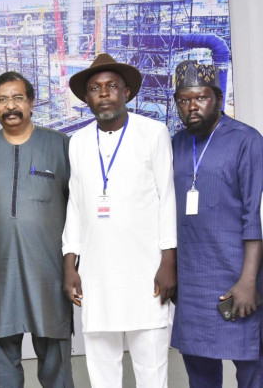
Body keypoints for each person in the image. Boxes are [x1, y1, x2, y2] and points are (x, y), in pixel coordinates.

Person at [62, 53, 177, 387]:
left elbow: (167, 197)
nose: (104, 93)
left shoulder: (153, 133)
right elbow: (75, 206)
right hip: (96, 274)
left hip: (147, 272)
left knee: (152, 370)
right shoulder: (78, 142)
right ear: (87, 98)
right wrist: (70, 263)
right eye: (96, 88)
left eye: (112, 86)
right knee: (102, 371)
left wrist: (168, 259)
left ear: (127, 92)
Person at [0, 71, 73, 388]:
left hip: (49, 271)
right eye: (2, 99)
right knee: (2, 366)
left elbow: (78, 209)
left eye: (17, 98)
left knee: (56, 359)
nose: (10, 106)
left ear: (30, 102)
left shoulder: (59, 146)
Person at [170, 60, 263, 387]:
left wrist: (248, 281)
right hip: (192, 283)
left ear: (218, 99)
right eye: (183, 100)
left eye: (201, 98)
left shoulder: (246, 141)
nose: (192, 106)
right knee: (200, 372)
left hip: (236, 277)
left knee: (252, 368)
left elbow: (254, 216)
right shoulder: (176, 145)